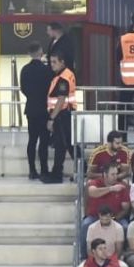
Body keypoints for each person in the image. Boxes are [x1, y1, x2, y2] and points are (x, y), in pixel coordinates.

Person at [44, 52, 78, 184]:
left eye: (54, 62)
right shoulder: (65, 74)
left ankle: (57, 174)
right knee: (67, 145)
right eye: (51, 62)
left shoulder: (63, 78)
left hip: (62, 115)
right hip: (64, 114)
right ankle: (85, 170)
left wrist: (51, 118)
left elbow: (61, 100)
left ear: (62, 62)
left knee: (62, 145)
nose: (52, 65)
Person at [21, 45, 52, 182]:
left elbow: (23, 89)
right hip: (44, 109)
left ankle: (32, 170)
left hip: (31, 108)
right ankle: (44, 170)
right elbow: (50, 89)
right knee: (44, 141)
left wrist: (32, 97)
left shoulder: (25, 70)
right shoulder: (47, 70)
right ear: (41, 52)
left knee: (32, 140)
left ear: (29, 53)